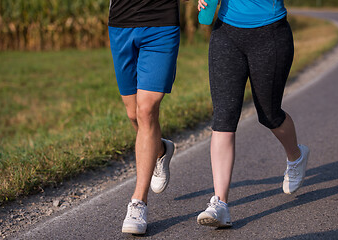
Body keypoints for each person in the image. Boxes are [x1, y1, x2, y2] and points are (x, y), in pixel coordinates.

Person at [196, 0, 310, 228]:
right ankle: (220, 203)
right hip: (226, 32)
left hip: (270, 32)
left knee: (269, 114)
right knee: (224, 117)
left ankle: (296, 156)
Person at [108, 0, 187, 234]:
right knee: (133, 114)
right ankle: (160, 150)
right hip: (121, 23)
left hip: (160, 23)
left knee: (146, 110)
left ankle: (138, 203)